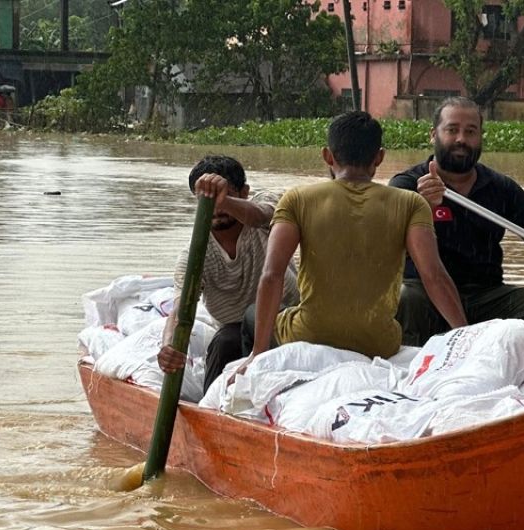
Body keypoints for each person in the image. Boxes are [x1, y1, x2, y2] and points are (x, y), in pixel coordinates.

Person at [234, 110, 468, 380]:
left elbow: (272, 274)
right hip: (378, 342)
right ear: (379, 157)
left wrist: (258, 352)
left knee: (251, 315)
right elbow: (434, 275)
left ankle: (252, 378)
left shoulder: (297, 199)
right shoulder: (411, 203)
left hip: (310, 334)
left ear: (327, 156)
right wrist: (466, 336)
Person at [389, 96, 524, 346]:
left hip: (485, 296)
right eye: (452, 130)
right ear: (433, 135)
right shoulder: (407, 185)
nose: (461, 139)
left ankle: (496, 347)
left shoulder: (500, 188)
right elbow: (389, 244)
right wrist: (426, 206)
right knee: (405, 298)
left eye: (470, 131)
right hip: (426, 295)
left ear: (481, 136)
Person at [156, 156, 298, 390]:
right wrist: (168, 345)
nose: (216, 207)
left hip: (288, 320)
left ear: (244, 193)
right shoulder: (195, 255)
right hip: (234, 334)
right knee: (225, 341)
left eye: (226, 195)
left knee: (254, 319)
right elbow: (181, 310)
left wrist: (224, 201)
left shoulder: (265, 210)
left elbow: (261, 214)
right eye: (205, 200)